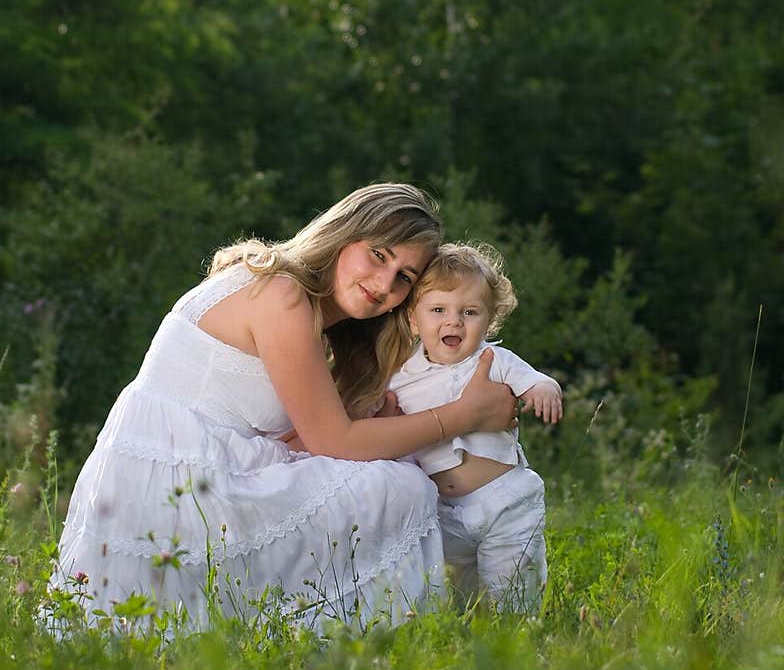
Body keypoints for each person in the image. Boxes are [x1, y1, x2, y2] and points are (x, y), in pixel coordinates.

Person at [46, 185, 518, 636]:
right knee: (405, 488)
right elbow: (334, 443)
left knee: (389, 468)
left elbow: (292, 440)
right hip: (176, 491)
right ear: (343, 234)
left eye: (404, 278)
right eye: (378, 254)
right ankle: (366, 633)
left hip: (191, 475)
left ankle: (428, 611)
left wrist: (374, 418)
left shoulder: (300, 306)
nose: (384, 283)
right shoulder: (281, 293)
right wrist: (465, 415)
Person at [388, 242, 563, 614]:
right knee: (461, 593)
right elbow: (384, 419)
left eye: (469, 312)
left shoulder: (494, 359)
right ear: (414, 319)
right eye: (438, 310)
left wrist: (544, 389)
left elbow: (534, 380)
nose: (453, 322)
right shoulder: (401, 376)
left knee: (512, 580)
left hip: (505, 499)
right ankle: (468, 635)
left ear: (490, 320)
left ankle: (518, 630)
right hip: (443, 509)